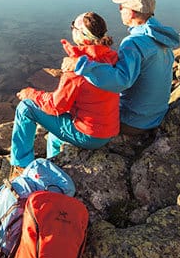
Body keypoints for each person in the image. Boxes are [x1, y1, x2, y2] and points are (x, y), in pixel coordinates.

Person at [9, 12, 120, 179]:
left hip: (89, 135)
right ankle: (54, 165)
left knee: (26, 108)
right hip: (108, 130)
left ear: (81, 36)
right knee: (54, 137)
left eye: (73, 27)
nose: (71, 30)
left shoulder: (76, 67)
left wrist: (30, 93)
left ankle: (20, 166)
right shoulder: (110, 56)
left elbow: (56, 106)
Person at [72, 0, 180, 134]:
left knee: (76, 111)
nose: (120, 9)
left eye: (122, 7)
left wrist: (82, 65)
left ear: (132, 12)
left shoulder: (134, 42)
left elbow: (121, 81)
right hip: (156, 115)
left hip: (134, 120)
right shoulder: (161, 37)